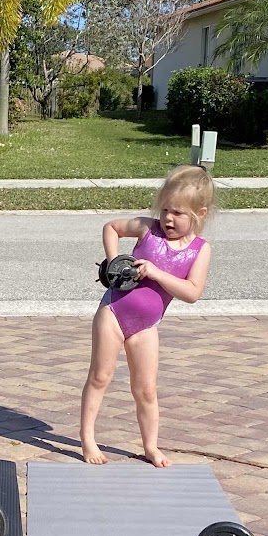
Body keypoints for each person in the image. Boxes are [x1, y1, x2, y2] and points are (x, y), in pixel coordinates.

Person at [80, 163, 214, 469]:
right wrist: (115, 260)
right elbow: (112, 227)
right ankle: (88, 438)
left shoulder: (200, 250)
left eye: (178, 213)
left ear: (200, 214)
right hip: (114, 312)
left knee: (146, 390)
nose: (168, 218)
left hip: (146, 326)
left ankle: (150, 446)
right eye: (165, 209)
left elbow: (192, 292)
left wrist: (156, 273)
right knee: (100, 377)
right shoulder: (147, 229)